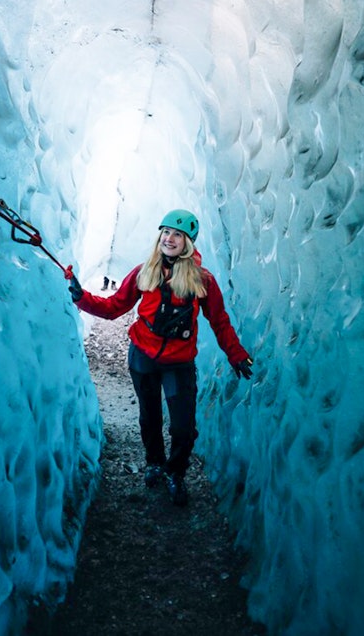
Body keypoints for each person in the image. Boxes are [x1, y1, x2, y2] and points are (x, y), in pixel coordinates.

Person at [68, 209, 254, 506]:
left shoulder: (202, 280)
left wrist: (236, 354)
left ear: (188, 242)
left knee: (183, 427)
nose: (169, 238)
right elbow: (115, 306)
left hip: (179, 363)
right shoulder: (146, 272)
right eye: (166, 232)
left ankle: (175, 471)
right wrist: (81, 298)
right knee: (150, 417)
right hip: (143, 357)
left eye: (177, 234)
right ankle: (155, 463)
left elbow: (219, 321)